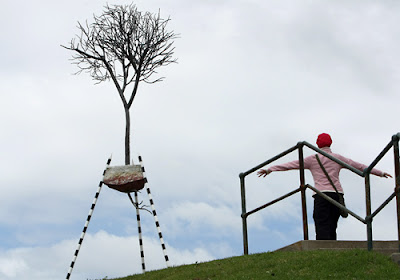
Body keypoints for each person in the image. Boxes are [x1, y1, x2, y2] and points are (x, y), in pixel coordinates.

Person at [257, 133, 392, 240]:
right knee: (332, 225)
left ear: (317, 144)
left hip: (321, 194)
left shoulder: (312, 159)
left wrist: (271, 169)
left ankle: (323, 250)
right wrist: (380, 173)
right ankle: (332, 250)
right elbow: (360, 167)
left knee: (321, 223)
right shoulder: (338, 158)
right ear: (330, 143)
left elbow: (291, 164)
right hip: (337, 194)